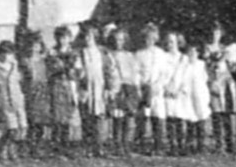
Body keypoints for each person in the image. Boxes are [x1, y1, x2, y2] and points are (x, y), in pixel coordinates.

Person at [0, 39, 26, 162]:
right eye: (4, 53)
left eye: (9, 53)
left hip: (17, 99)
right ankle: (3, 151)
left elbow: (21, 81)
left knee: (20, 128)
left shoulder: (16, 65)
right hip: (3, 100)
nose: (6, 56)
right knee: (10, 128)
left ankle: (12, 149)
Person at [136, 25, 175, 154]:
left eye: (152, 38)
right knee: (142, 116)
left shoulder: (160, 54)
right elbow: (136, 72)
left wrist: (158, 84)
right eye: (147, 38)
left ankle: (158, 146)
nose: (149, 40)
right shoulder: (139, 54)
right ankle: (141, 145)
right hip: (144, 89)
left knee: (157, 117)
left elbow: (165, 73)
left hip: (157, 89)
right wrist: (141, 84)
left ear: (156, 38)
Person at [103, 26, 139, 154]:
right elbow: (108, 72)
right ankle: (117, 144)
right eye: (117, 40)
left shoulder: (129, 55)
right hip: (115, 87)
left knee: (127, 117)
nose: (119, 42)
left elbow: (134, 73)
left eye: (121, 40)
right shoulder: (109, 55)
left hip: (128, 87)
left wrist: (134, 87)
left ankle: (126, 143)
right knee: (117, 116)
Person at [74, 24, 108, 156]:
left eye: (90, 36)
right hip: (86, 87)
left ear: (95, 37)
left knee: (99, 116)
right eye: (86, 36)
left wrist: (109, 87)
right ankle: (87, 146)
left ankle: (99, 146)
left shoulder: (102, 52)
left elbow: (109, 70)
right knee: (87, 116)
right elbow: (77, 71)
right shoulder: (80, 53)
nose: (88, 39)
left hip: (99, 86)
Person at [46, 25, 81, 151]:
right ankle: (55, 143)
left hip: (69, 85)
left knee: (67, 114)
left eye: (65, 37)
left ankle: (65, 143)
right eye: (60, 37)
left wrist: (72, 70)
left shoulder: (74, 52)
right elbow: (50, 68)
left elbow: (76, 70)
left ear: (70, 38)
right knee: (56, 114)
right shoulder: (52, 52)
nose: (63, 40)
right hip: (56, 84)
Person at [206, 37, 236, 153]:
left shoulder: (226, 49)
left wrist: (231, 63)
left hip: (225, 85)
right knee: (216, 115)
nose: (215, 34)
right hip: (214, 84)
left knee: (227, 115)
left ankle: (229, 143)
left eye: (217, 31)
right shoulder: (208, 48)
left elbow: (232, 69)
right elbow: (207, 66)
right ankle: (218, 144)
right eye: (213, 32)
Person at [19, 30, 50, 147]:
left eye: (38, 45)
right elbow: (22, 78)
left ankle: (38, 145)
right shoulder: (25, 61)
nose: (35, 48)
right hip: (31, 92)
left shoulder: (44, 60)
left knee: (41, 122)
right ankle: (30, 145)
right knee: (31, 120)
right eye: (33, 45)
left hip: (43, 92)